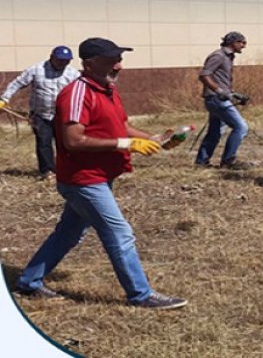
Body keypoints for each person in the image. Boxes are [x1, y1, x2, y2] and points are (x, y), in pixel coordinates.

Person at [15, 37, 187, 309]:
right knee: (120, 234)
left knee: (68, 234)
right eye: (112, 60)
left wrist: (156, 139)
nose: (119, 66)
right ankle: (140, 295)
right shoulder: (77, 93)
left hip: (100, 176)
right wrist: (126, 144)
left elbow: (121, 126)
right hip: (82, 180)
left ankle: (29, 282)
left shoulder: (107, 88)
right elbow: (73, 140)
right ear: (90, 63)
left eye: (120, 60)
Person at [0, 46, 80, 179]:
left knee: (65, 143)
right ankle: (47, 171)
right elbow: (17, 83)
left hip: (63, 115)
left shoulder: (73, 74)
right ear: (52, 57)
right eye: (60, 60)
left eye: (66, 61)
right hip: (40, 115)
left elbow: (81, 91)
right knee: (44, 142)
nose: (63, 63)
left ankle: (66, 170)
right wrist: (4, 98)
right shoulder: (36, 70)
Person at [194, 31, 251, 169]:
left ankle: (201, 162)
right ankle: (228, 160)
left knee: (215, 132)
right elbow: (204, 75)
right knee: (241, 127)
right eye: (242, 42)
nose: (244, 46)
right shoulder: (218, 56)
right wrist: (219, 91)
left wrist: (234, 94)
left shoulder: (228, 57)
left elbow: (220, 80)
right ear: (233, 42)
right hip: (216, 99)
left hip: (217, 98)